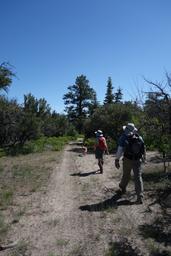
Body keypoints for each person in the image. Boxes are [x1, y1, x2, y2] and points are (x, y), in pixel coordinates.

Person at [115, 123, 146, 204]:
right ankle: (140, 196)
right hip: (137, 160)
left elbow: (120, 150)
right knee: (138, 177)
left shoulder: (123, 137)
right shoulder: (139, 137)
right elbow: (143, 148)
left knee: (126, 174)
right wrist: (143, 158)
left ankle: (122, 188)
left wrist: (117, 160)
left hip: (127, 159)